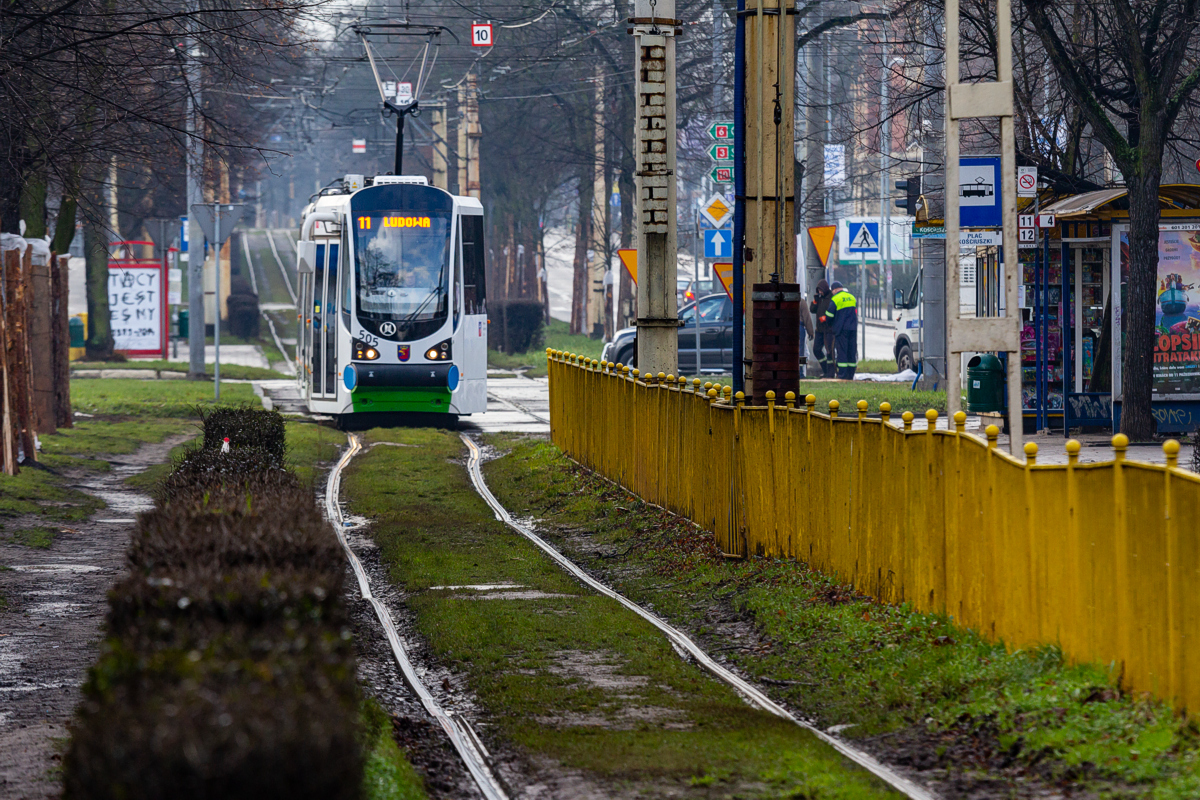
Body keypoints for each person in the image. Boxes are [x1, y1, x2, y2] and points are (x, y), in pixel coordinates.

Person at [827, 281, 858, 380]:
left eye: (832, 291)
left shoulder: (835, 299)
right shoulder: (852, 297)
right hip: (853, 329)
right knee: (851, 351)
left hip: (841, 329)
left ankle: (842, 375)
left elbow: (829, 316)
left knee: (842, 352)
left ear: (835, 290)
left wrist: (829, 324)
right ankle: (851, 374)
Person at [809, 280, 836, 378]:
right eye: (818, 290)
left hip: (828, 329)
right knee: (816, 350)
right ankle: (825, 369)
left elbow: (833, 312)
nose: (820, 292)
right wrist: (815, 301)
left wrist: (825, 318)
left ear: (825, 288)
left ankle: (830, 373)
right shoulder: (819, 299)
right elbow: (812, 310)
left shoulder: (831, 298)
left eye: (821, 290)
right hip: (819, 330)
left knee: (829, 352)